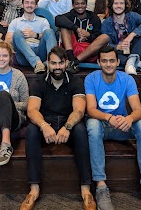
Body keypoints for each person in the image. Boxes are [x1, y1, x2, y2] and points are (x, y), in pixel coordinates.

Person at [85, 46, 141, 210]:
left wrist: (128, 118)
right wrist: (109, 117)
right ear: (98, 62)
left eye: (112, 60)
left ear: (118, 62)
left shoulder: (127, 79)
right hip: (103, 125)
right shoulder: (91, 79)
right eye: (104, 61)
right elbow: (90, 110)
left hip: (123, 125)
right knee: (91, 124)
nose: (108, 64)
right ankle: (100, 186)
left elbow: (138, 111)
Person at [20, 47, 95, 210]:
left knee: (81, 131)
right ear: (47, 64)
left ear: (66, 63)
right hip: (47, 121)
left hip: (69, 121)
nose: (57, 67)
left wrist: (67, 127)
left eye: (61, 63)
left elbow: (79, 110)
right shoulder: (38, 81)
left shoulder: (75, 81)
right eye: (53, 63)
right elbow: (32, 110)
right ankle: (34, 189)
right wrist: (44, 126)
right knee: (31, 132)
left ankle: (86, 189)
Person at [55, 0, 109, 73]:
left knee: (105, 37)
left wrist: (88, 35)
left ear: (86, 5)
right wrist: (77, 29)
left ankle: (74, 62)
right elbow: (57, 19)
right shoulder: (70, 15)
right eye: (77, 4)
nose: (80, 6)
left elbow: (97, 38)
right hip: (72, 49)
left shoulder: (94, 18)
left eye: (82, 3)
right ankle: (71, 59)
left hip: (89, 51)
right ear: (73, 5)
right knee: (64, 27)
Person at [101, 0, 141, 75]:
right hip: (121, 54)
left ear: (125, 5)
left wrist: (131, 35)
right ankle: (139, 64)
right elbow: (105, 45)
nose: (119, 6)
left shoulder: (132, 16)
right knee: (112, 57)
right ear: (111, 5)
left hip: (139, 51)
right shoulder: (106, 23)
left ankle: (131, 61)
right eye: (116, 3)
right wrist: (118, 47)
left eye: (121, 3)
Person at [7, 0, 57, 74]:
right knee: (17, 33)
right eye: (27, 3)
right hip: (23, 56)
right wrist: (21, 38)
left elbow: (49, 36)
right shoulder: (15, 22)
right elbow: (8, 41)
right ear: (22, 5)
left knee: (49, 31)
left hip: (40, 51)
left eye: (32, 3)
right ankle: (38, 63)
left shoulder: (43, 21)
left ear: (36, 5)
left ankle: (52, 61)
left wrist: (35, 35)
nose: (29, 5)